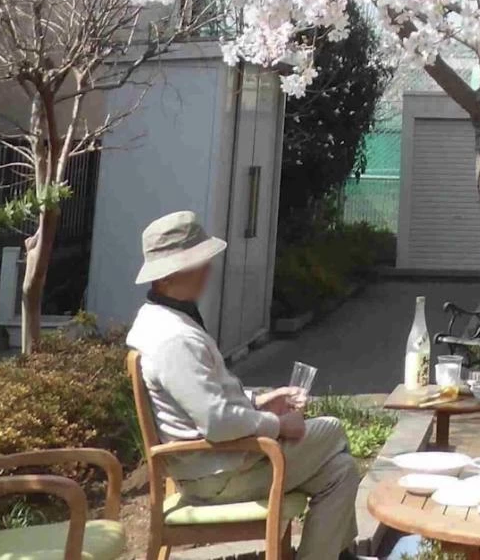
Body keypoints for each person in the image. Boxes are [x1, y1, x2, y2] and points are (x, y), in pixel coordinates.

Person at [127, 211, 359, 560]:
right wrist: (279, 424)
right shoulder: (175, 339)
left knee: (341, 471)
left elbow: (205, 397)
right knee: (332, 429)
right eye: (200, 261)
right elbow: (216, 421)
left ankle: (335, 554)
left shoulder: (160, 319)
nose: (208, 269)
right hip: (218, 475)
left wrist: (261, 400)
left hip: (218, 465)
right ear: (174, 272)